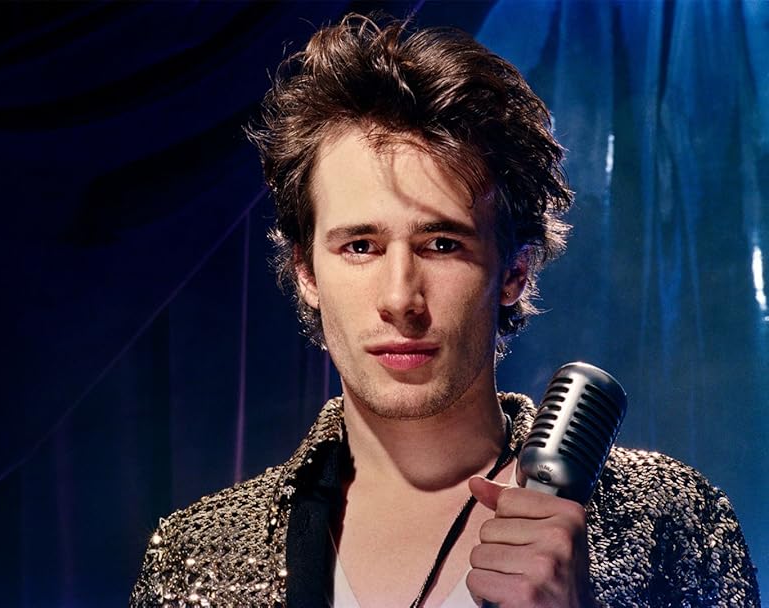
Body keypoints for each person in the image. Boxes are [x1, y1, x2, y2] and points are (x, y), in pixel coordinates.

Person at [131, 14, 759, 607]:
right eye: (360, 246)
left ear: (514, 271)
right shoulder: (197, 555)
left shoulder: (670, 522)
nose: (400, 299)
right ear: (307, 272)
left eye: (441, 244)